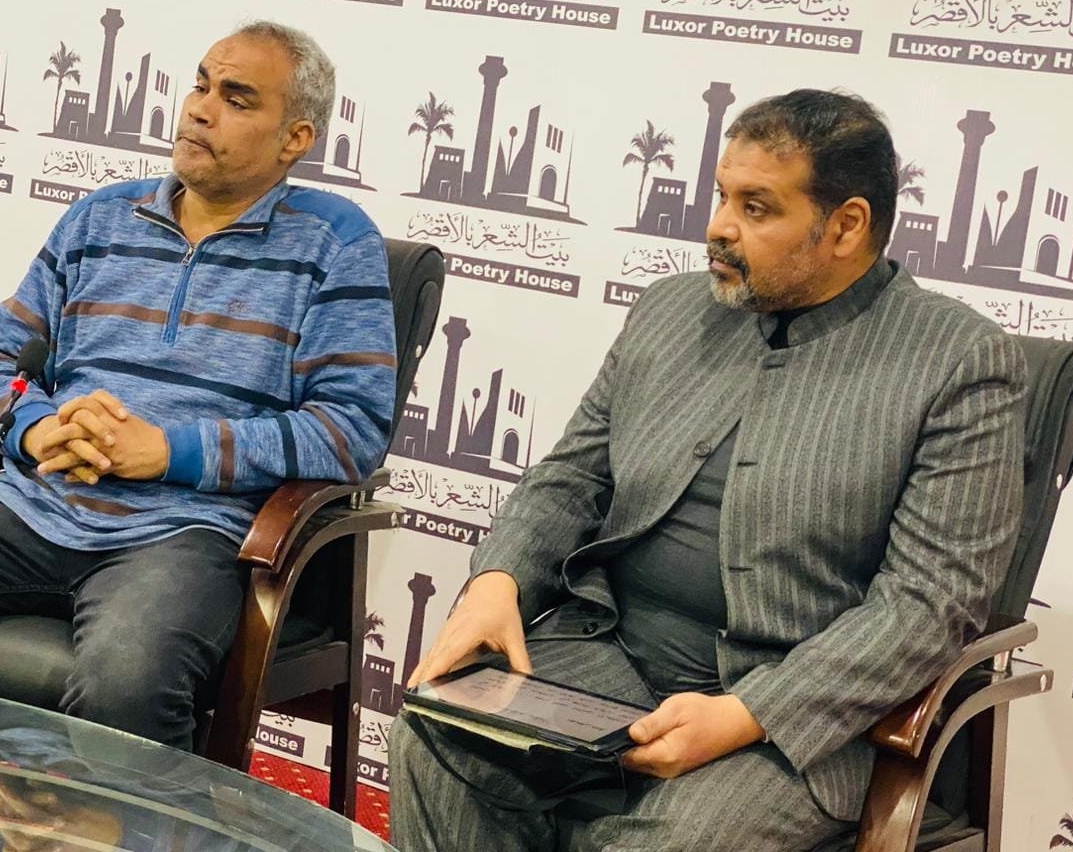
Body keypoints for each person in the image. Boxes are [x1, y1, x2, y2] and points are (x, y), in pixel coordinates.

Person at [391, 90, 1026, 851]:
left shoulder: (959, 361)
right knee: (437, 742)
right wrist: (497, 580)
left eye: (756, 208)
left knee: (661, 843)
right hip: (611, 650)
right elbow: (572, 477)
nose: (719, 225)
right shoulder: (670, 309)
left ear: (847, 226)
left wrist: (749, 713)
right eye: (723, 195)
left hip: (789, 711)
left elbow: (927, 603)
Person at [0, 22, 397, 749]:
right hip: (33, 506)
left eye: (237, 99)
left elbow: (351, 431)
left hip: (184, 535)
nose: (200, 109)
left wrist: (168, 451)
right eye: (201, 85)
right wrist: (38, 427)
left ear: (295, 138)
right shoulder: (102, 218)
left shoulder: (336, 243)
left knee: (127, 681)